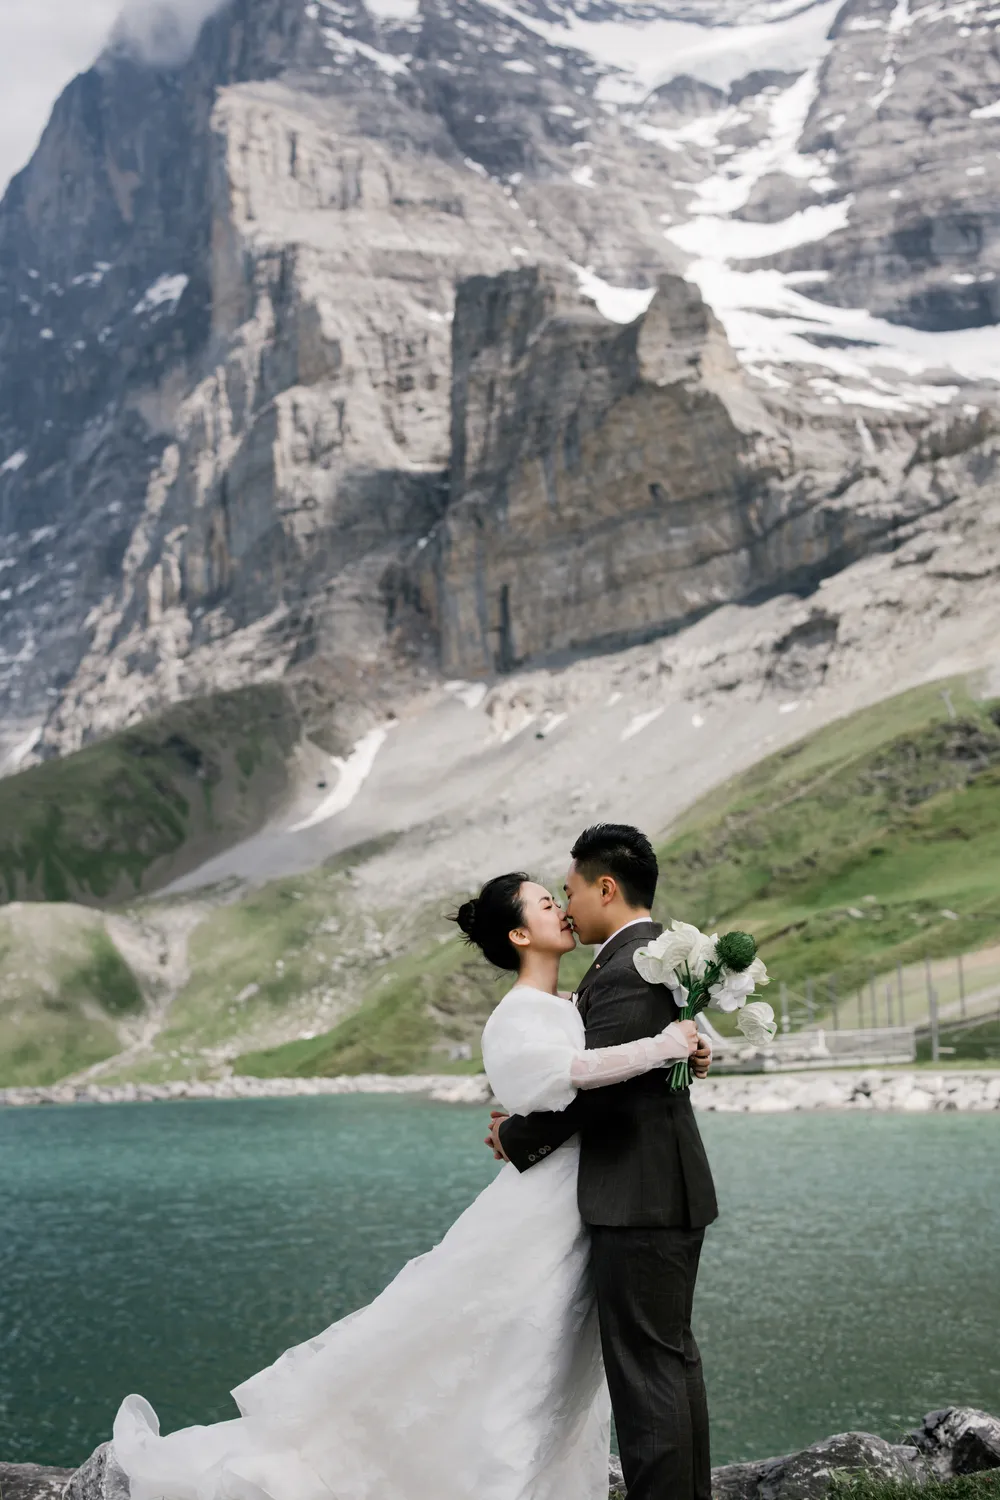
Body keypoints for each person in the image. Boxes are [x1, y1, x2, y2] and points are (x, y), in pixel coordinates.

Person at [111, 872, 700, 1500]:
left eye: (560, 898)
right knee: (500, 1348)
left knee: (549, 1365)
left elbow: (600, 1081)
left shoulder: (569, 1005)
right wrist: (664, 1045)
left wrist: (686, 1053)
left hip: (580, 1202)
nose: (560, 907)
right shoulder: (517, 1014)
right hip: (543, 1210)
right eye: (546, 903)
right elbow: (566, 1078)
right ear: (520, 932)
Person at [488, 824, 717, 1500]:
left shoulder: (627, 967)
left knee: (646, 1375)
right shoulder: (652, 957)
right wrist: (691, 1050)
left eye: (571, 891)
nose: (567, 905)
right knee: (670, 1361)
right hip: (659, 1187)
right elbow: (652, 1061)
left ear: (606, 888)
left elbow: (603, 1089)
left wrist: (519, 1136)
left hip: (638, 1195)